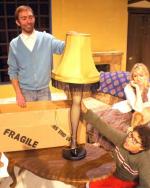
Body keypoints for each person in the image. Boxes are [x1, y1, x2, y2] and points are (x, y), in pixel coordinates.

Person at [81, 102, 150, 188]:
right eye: (131, 135)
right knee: (87, 181)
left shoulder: (145, 161)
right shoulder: (123, 138)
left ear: (141, 148)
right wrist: (86, 111)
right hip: (111, 170)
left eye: (134, 141)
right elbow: (104, 127)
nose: (128, 140)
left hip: (125, 180)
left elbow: (146, 185)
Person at [7, 5, 65, 107]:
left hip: (44, 91)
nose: (28, 21)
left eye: (30, 17)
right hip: (25, 93)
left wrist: (73, 38)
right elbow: (12, 71)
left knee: (46, 120)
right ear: (18, 22)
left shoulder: (46, 39)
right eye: (24, 18)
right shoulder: (14, 44)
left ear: (34, 18)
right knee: (29, 121)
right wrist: (18, 94)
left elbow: (63, 48)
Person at [88, 63, 150, 150]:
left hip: (144, 116)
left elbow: (143, 110)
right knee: (109, 121)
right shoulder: (129, 88)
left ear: (146, 76)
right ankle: (100, 142)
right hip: (127, 112)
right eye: (135, 76)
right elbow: (137, 108)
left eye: (141, 75)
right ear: (133, 78)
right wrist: (137, 90)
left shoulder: (149, 89)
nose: (138, 78)